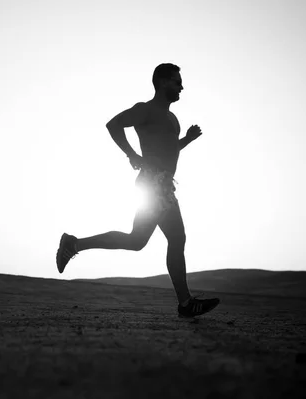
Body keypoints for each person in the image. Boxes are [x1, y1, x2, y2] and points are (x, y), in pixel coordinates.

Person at [56, 63, 220, 318]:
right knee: (168, 239)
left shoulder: (171, 118)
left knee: (141, 241)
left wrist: (186, 140)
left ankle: (74, 244)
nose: (181, 87)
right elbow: (113, 124)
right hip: (152, 185)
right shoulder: (146, 110)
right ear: (163, 82)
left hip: (162, 186)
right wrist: (132, 154)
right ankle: (186, 303)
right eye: (177, 82)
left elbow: (167, 149)